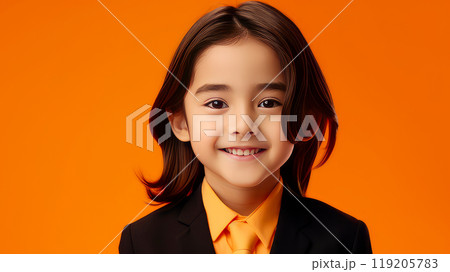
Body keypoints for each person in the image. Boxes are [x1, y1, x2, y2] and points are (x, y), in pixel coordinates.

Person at [119, 1, 373, 254]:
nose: (243, 125)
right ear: (180, 123)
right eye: (216, 103)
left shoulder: (344, 238)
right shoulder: (143, 242)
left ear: (306, 120)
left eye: (268, 102)